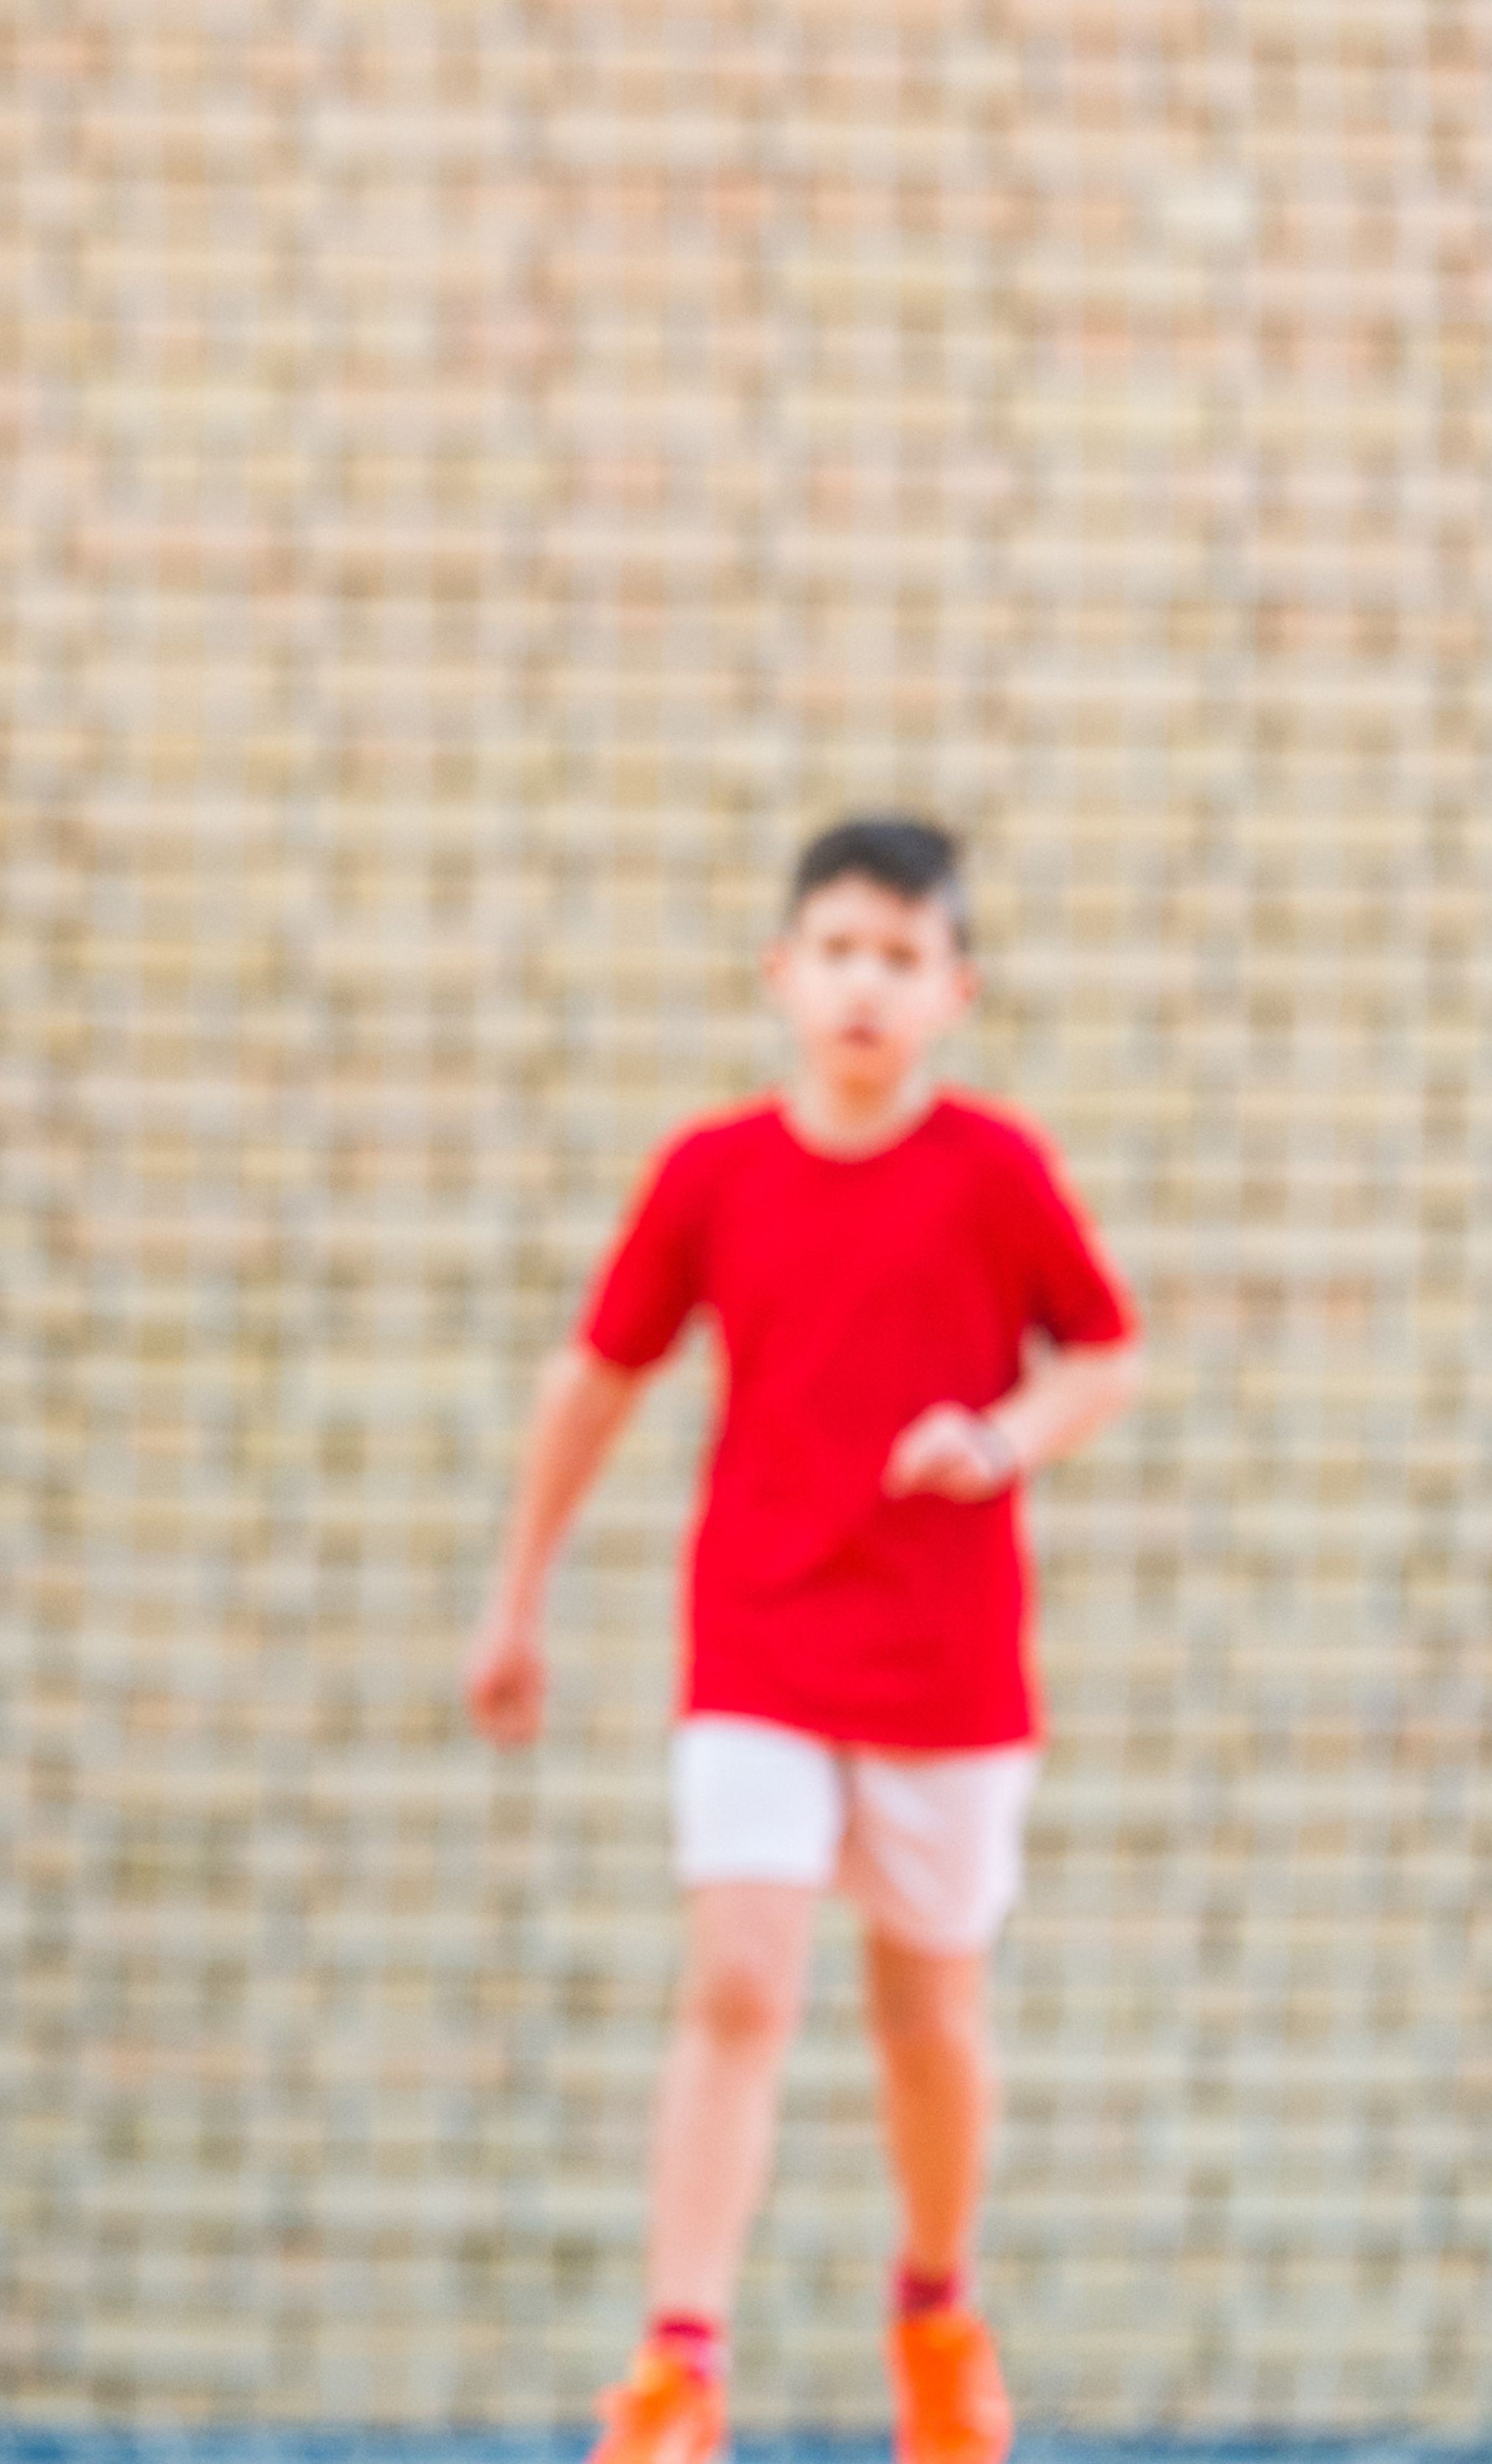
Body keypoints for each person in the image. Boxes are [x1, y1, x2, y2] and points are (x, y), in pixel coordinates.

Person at [463, 817, 1143, 2464]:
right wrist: (519, 1594)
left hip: (945, 1668)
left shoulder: (996, 1174)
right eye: (838, 949)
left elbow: (1105, 1357)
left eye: (901, 959)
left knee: (927, 2011)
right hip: (758, 1646)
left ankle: (936, 2310)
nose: (865, 985)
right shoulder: (713, 1175)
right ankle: (679, 2364)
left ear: (952, 991)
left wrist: (997, 1440)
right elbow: (597, 1380)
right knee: (741, 1979)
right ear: (782, 973)